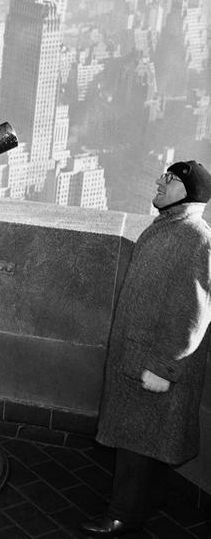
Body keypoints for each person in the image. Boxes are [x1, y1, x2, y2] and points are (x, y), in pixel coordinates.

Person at [81, 160, 211, 537]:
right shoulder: (171, 228)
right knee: (139, 441)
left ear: (190, 193)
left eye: (170, 179)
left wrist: (163, 367)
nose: (160, 181)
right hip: (140, 358)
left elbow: (193, 313)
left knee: (137, 444)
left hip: (153, 364)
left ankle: (123, 516)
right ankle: (144, 504)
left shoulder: (195, 239)